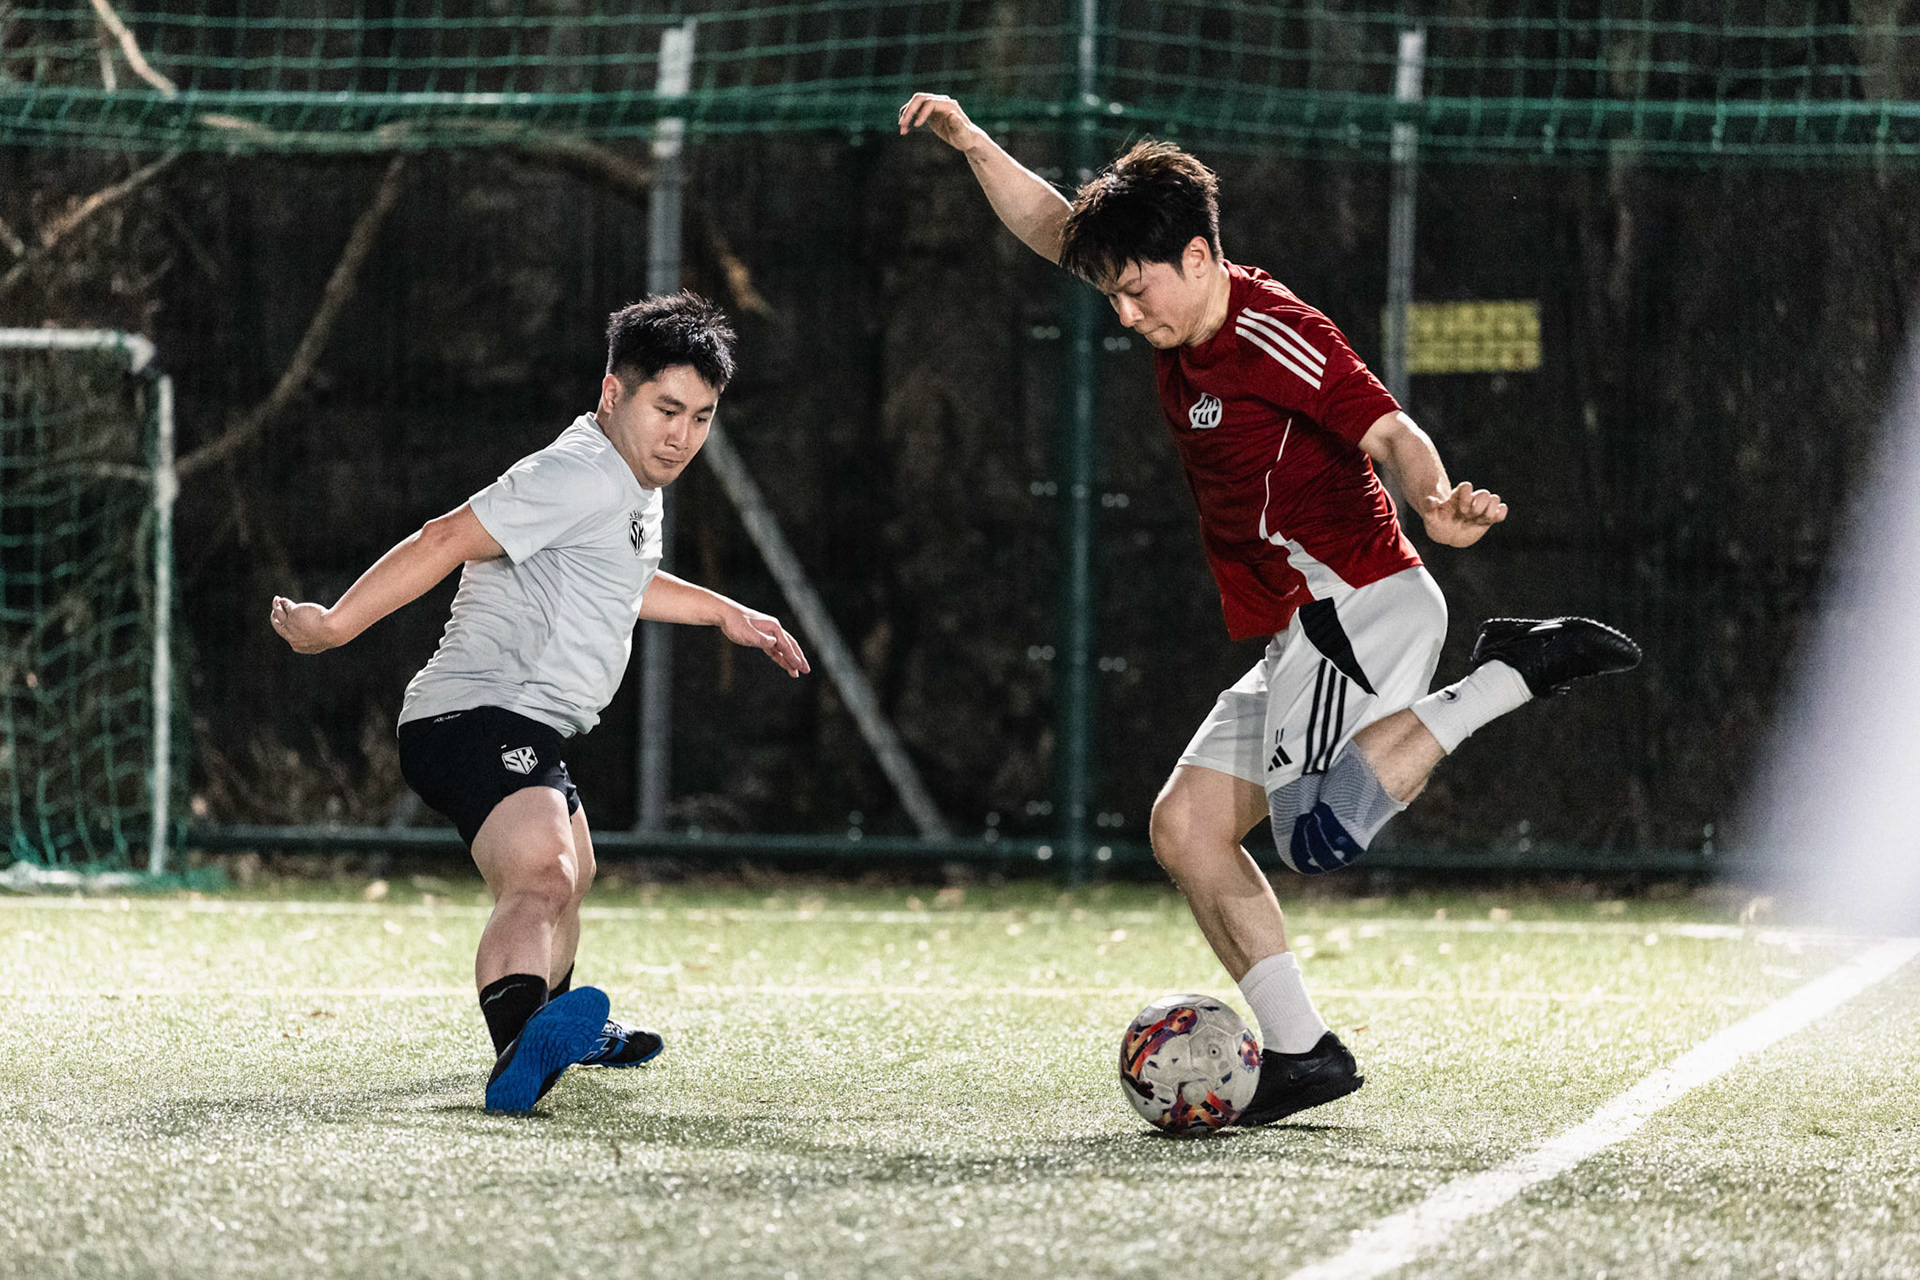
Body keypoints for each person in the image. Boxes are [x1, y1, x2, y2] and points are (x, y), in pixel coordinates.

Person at [899, 95, 1639, 1126]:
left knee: (1319, 830)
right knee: (1188, 828)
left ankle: (1514, 668)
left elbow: (1385, 424)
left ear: (1200, 256)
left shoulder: (1276, 331)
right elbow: (1053, 230)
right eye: (1112, 292)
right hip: (1306, 626)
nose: (1124, 313)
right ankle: (1303, 1054)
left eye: (1137, 289)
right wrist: (972, 141)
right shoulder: (1169, 309)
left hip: (1362, 603)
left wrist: (1435, 498)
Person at [269, 291, 810, 1112]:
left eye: (701, 418)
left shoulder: (627, 480)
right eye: (668, 409)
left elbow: (617, 580)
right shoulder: (576, 474)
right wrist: (335, 625)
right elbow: (443, 538)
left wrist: (723, 612)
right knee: (544, 875)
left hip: (521, 721)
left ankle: (557, 1021)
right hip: (473, 715)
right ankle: (522, 1046)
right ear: (611, 393)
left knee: (573, 876)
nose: (682, 436)